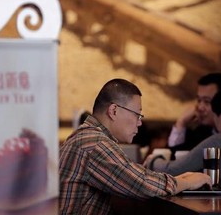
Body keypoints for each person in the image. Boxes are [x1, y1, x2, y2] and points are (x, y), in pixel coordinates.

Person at [59, 78, 211, 214]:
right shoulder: (94, 143)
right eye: (137, 115)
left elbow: (135, 176)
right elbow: (141, 184)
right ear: (113, 111)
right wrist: (189, 182)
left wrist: (178, 180)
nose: (139, 122)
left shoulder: (87, 136)